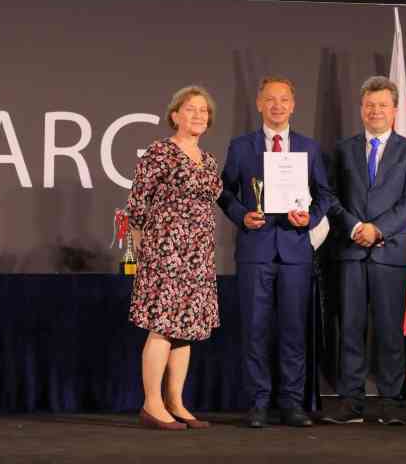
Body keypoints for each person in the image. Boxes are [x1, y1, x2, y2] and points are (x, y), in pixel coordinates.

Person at [218, 75, 333, 428]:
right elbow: (224, 192)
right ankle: (258, 403)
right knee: (255, 330)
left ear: (293, 105)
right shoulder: (241, 147)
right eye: (270, 99)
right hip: (256, 250)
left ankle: (292, 403)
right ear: (259, 104)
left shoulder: (309, 147)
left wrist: (310, 218)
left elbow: (325, 194)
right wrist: (242, 215)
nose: (277, 105)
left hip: (295, 251)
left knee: (293, 330)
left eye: (284, 99)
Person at [326, 76, 406, 426]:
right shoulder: (343, 149)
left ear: (394, 110)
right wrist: (355, 227)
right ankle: (351, 402)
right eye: (370, 105)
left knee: (389, 330)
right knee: (350, 329)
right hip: (350, 251)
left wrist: (378, 229)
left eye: (382, 105)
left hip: (390, 252)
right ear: (361, 109)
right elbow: (330, 196)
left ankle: (391, 402)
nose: (375, 111)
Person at [127, 85, 223, 431]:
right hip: (165, 251)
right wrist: (145, 249)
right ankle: (152, 404)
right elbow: (137, 202)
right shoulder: (160, 152)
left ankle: (176, 402)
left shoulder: (208, 160)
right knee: (163, 326)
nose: (198, 115)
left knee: (187, 330)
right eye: (191, 109)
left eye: (203, 110)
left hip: (199, 254)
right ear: (175, 116)